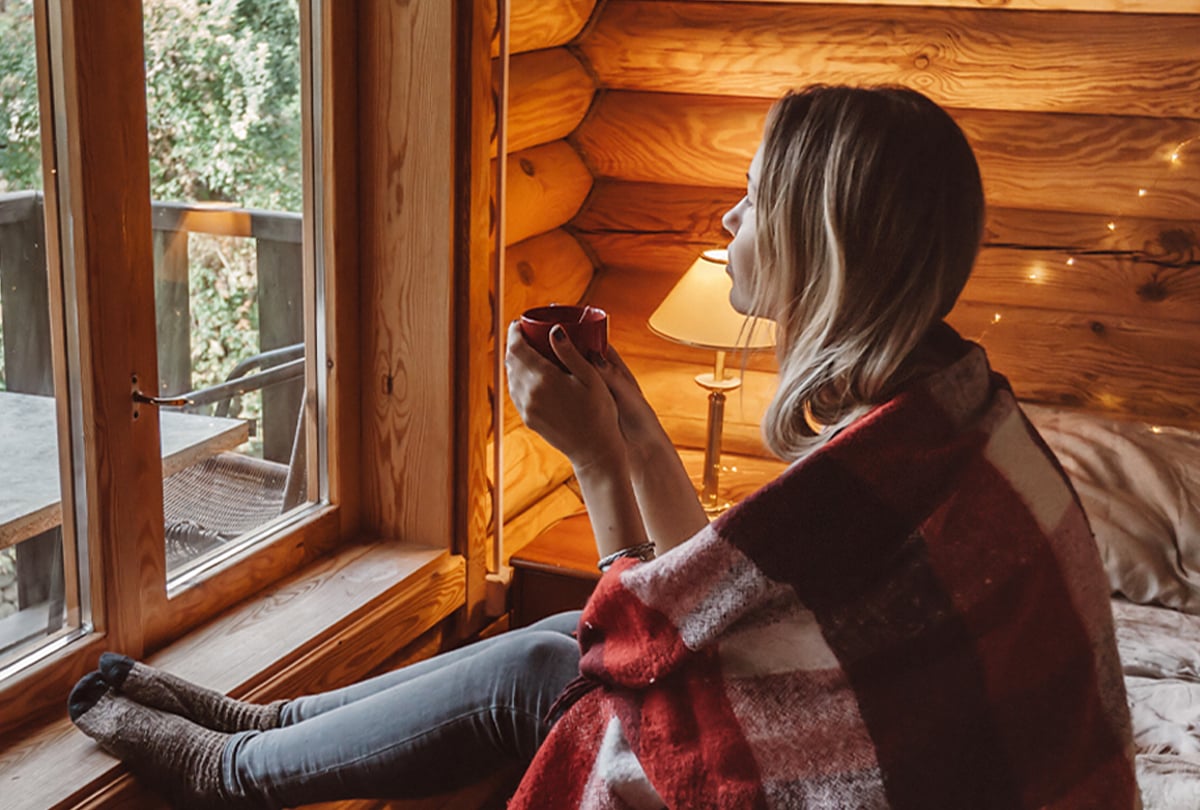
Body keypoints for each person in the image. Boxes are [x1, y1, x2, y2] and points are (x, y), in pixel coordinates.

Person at [69, 84, 1139, 808]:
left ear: (822, 240)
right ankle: (265, 727)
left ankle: (236, 773)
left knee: (561, 667)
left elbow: (642, 639)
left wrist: (590, 460)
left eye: (755, 198)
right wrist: (625, 416)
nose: (729, 219)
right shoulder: (941, 408)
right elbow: (726, 585)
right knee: (551, 658)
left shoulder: (906, 459)